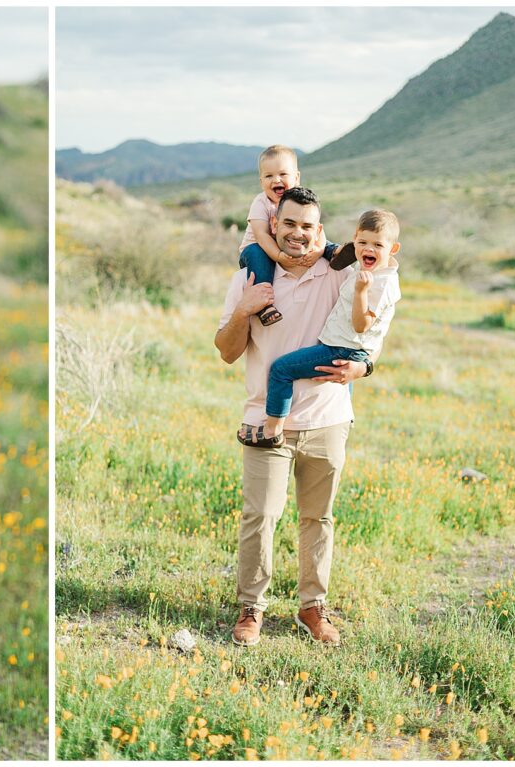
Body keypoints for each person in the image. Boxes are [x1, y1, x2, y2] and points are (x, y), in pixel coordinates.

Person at [214, 186, 375, 648]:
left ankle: (312, 607)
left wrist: (365, 366)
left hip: (327, 419)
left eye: (307, 226)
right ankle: (251, 609)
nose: (298, 234)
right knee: (260, 516)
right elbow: (226, 352)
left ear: (319, 231)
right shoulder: (250, 276)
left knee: (317, 518)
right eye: (289, 224)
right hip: (266, 420)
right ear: (273, 227)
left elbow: (371, 326)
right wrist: (244, 311)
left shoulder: (337, 274)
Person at [239, 209, 401, 447]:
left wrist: (360, 293)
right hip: (344, 346)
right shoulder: (371, 271)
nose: (369, 249)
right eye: (363, 242)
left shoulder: (378, 283)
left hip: (341, 349)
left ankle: (272, 429)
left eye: (378, 244)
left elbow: (361, 326)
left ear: (393, 249)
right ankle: (342, 417)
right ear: (355, 238)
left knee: (281, 370)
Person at [237, 145, 353, 326]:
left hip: (285, 243)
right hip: (257, 249)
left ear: (296, 177)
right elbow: (261, 235)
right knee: (259, 256)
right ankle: (265, 306)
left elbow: (317, 232)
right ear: (261, 181)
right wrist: (279, 256)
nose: (276, 180)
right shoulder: (261, 203)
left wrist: (317, 251)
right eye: (269, 176)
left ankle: (336, 253)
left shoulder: (299, 200)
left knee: (307, 233)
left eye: (283, 174)